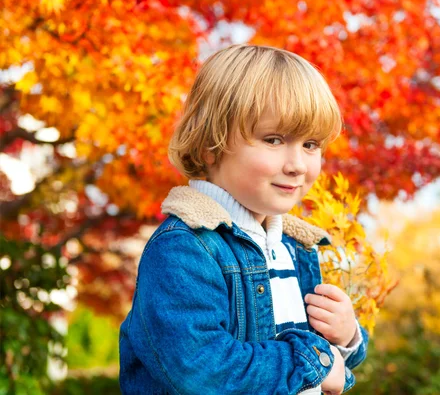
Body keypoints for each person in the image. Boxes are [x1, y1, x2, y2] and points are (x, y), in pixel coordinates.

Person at [119, 44, 369, 395]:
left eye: (311, 144)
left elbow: (330, 360)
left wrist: (346, 336)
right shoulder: (186, 249)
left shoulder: (293, 248)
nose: (297, 164)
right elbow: (200, 369)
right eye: (274, 139)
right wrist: (313, 363)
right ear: (211, 145)